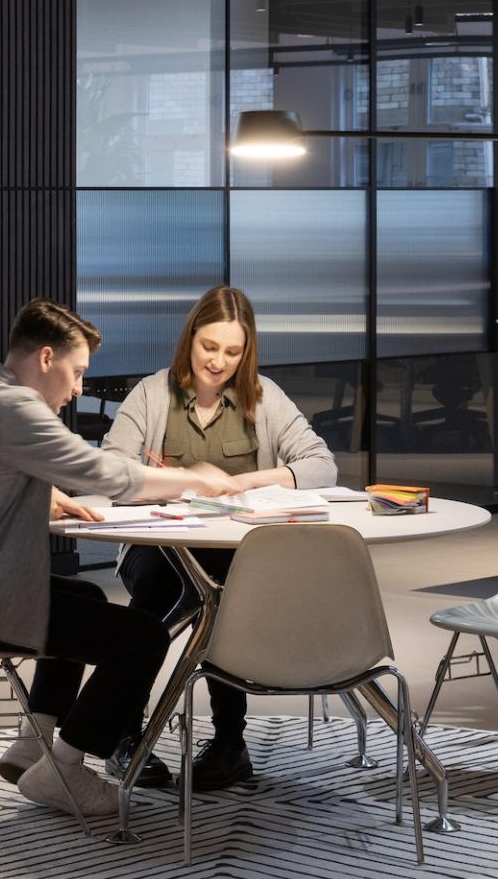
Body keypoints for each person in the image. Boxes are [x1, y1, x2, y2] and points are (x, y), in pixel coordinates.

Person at [0, 298, 250, 819]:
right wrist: (196, 477)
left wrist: (38, 488)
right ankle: (65, 769)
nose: (77, 389)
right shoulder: (15, 408)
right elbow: (108, 474)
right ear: (45, 359)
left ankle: (35, 741)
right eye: (76, 373)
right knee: (143, 638)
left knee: (87, 596)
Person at [101, 285, 338, 792]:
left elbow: (321, 466)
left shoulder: (264, 397)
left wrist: (248, 481)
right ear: (190, 339)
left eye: (233, 352)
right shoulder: (151, 394)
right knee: (157, 596)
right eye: (210, 347)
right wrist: (185, 482)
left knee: (225, 598)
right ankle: (126, 736)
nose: (219, 361)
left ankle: (231, 743)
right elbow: (110, 470)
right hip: (159, 548)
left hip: (237, 551)